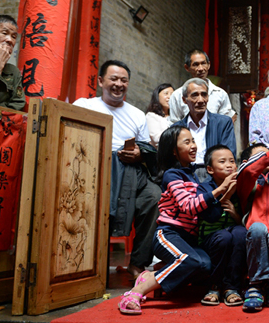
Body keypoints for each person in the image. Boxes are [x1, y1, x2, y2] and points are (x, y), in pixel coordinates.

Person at [118, 125, 235, 314]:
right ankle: (136, 292)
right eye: (187, 142)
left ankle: (154, 274)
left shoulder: (194, 176)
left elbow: (204, 210)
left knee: (205, 266)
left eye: (193, 141)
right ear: (174, 150)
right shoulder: (172, 175)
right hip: (169, 234)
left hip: (188, 239)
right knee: (190, 261)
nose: (193, 146)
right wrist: (220, 190)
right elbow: (188, 206)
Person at [74, 60, 160, 279]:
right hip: (92, 168)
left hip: (130, 170)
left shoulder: (137, 114)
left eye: (124, 80)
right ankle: (93, 265)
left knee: (154, 197)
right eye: (113, 79)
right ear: (100, 81)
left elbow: (145, 148)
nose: (119, 84)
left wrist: (139, 154)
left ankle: (138, 263)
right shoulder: (84, 105)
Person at [235, 143, 269, 312]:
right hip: (255, 228)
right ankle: (256, 284)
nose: (267, 158)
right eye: (261, 155)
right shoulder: (246, 181)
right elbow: (248, 170)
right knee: (258, 228)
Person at [196, 145, 246, 307]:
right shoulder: (204, 188)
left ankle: (232, 287)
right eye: (222, 162)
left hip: (233, 232)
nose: (229, 165)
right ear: (210, 169)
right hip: (211, 237)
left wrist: (235, 214)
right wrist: (226, 193)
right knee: (224, 237)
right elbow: (211, 216)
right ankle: (214, 286)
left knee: (241, 233)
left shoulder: (241, 186)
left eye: (232, 161)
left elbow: (245, 220)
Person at [173, 78, 237, 183]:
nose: (201, 100)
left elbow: (229, 156)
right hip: (185, 176)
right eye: (195, 95)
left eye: (204, 95)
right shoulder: (177, 128)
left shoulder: (223, 123)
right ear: (184, 100)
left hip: (215, 176)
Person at [169, 49, 236, 123]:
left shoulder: (220, 94)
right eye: (196, 64)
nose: (200, 68)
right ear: (187, 68)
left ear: (209, 65)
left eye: (203, 63)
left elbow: (226, 122)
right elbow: (174, 123)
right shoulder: (177, 95)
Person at [145, 83, 174, 148]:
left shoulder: (175, 117)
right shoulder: (151, 116)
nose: (169, 97)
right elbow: (157, 139)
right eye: (166, 93)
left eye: (172, 95)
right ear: (157, 96)